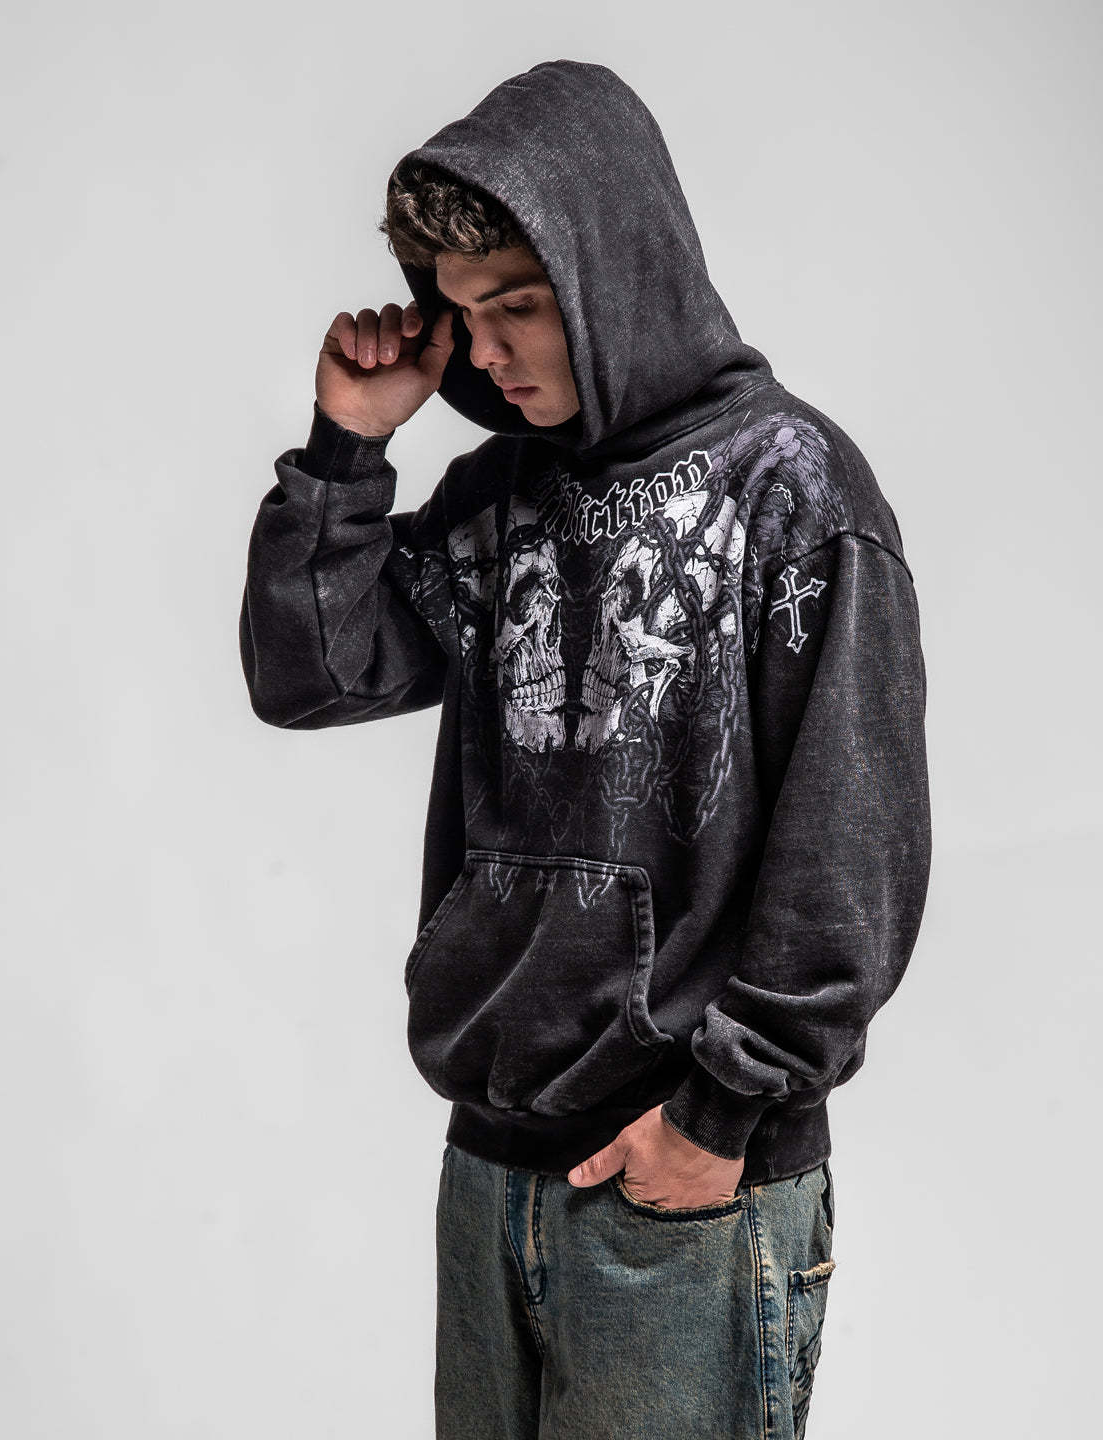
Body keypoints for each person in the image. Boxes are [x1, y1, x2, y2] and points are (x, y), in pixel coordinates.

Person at [239, 57, 931, 1440]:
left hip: (682, 1186)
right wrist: (346, 451)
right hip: (491, 1165)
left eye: (518, 305)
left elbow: (849, 855)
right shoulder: (500, 497)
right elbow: (313, 673)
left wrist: (720, 1120)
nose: (485, 352)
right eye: (462, 312)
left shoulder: (795, 492)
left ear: (612, 270)